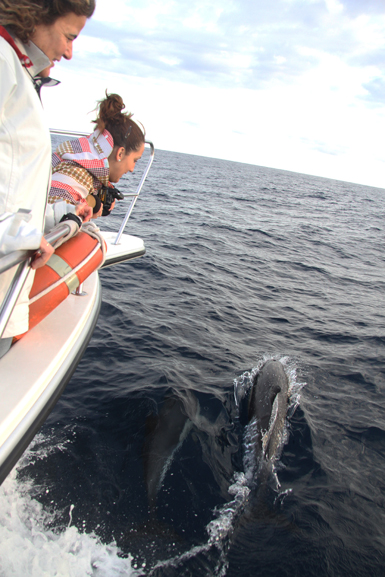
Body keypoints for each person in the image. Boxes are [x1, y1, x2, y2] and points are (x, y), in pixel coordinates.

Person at [0, 0, 95, 357]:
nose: (69, 52)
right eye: (68, 36)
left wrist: (57, 215)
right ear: (36, 16)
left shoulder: (20, 74)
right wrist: (21, 237)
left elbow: (10, 185)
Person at [48, 92, 146, 219]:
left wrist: (96, 197)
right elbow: (51, 206)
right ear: (120, 153)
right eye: (134, 160)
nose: (132, 168)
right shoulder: (76, 174)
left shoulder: (79, 161)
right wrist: (92, 203)